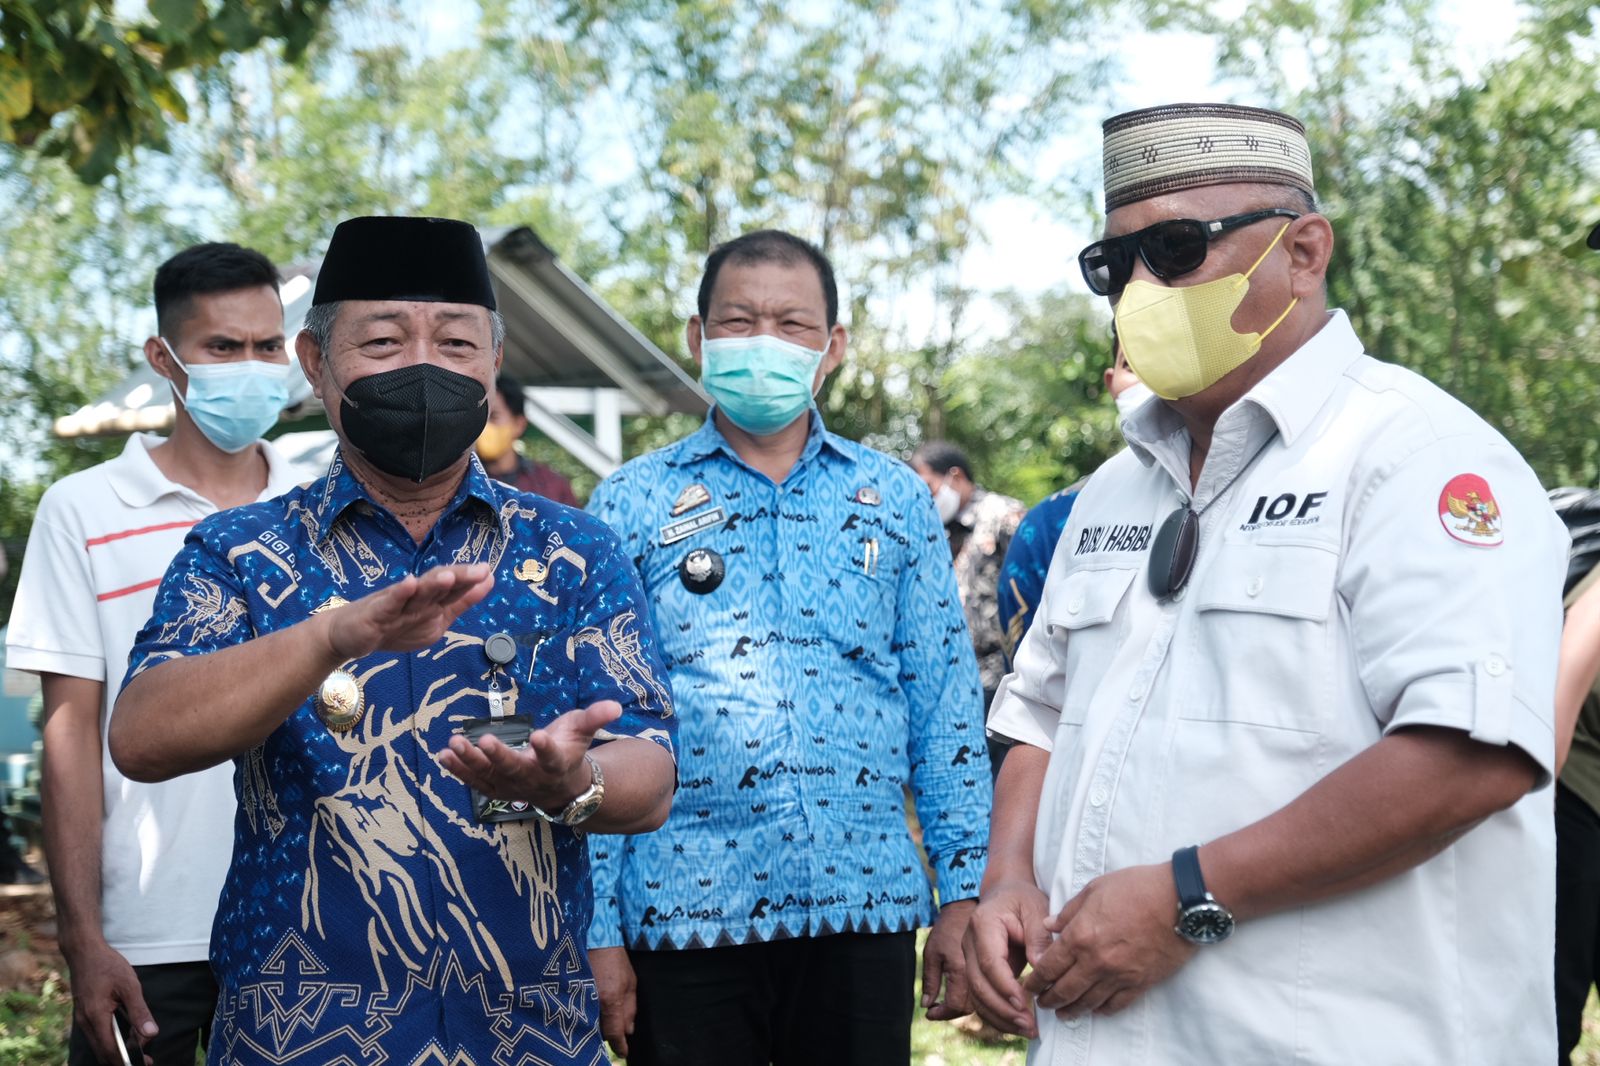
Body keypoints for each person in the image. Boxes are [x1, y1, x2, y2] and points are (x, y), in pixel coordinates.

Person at [964, 103, 1567, 1063]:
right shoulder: (1115, 489)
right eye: (1115, 265)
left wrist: (1188, 895)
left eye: (1176, 249)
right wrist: (1006, 881)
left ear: (1304, 251)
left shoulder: (1417, 456)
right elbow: (1040, 711)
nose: (1142, 289)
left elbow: (1472, 754)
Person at [107, 216, 679, 1066]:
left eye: (456, 343)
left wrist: (573, 781)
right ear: (314, 362)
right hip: (302, 1037)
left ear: (494, 360)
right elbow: (142, 735)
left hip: (528, 1036)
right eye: (382, 341)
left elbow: (653, 773)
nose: (422, 366)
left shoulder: (573, 551)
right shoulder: (242, 551)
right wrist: (327, 638)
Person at [584, 229, 991, 1065]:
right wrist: (596, 929)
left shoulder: (895, 499)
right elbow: (600, 719)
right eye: (738, 322)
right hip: (682, 910)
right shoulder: (629, 501)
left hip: (863, 903)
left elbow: (944, 701)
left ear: (832, 346)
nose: (763, 342)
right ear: (698, 338)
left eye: (792, 323)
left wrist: (964, 891)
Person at [5, 242, 303, 1064]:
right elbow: (70, 732)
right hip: (148, 931)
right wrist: (83, 936)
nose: (251, 368)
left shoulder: (320, 508)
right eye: (222, 347)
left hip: (305, 920)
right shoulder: (83, 510)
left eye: (267, 346)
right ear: (164, 358)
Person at [995, 330, 1151, 669]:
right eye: (1132, 363)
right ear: (1111, 383)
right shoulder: (1049, 526)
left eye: (1165, 354)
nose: (1151, 375)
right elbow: (1028, 682)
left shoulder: (1258, 503)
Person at [476, 373, 580, 505]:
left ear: (519, 424)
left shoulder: (552, 486)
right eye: (479, 416)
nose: (484, 426)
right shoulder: (460, 481)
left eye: (494, 417)